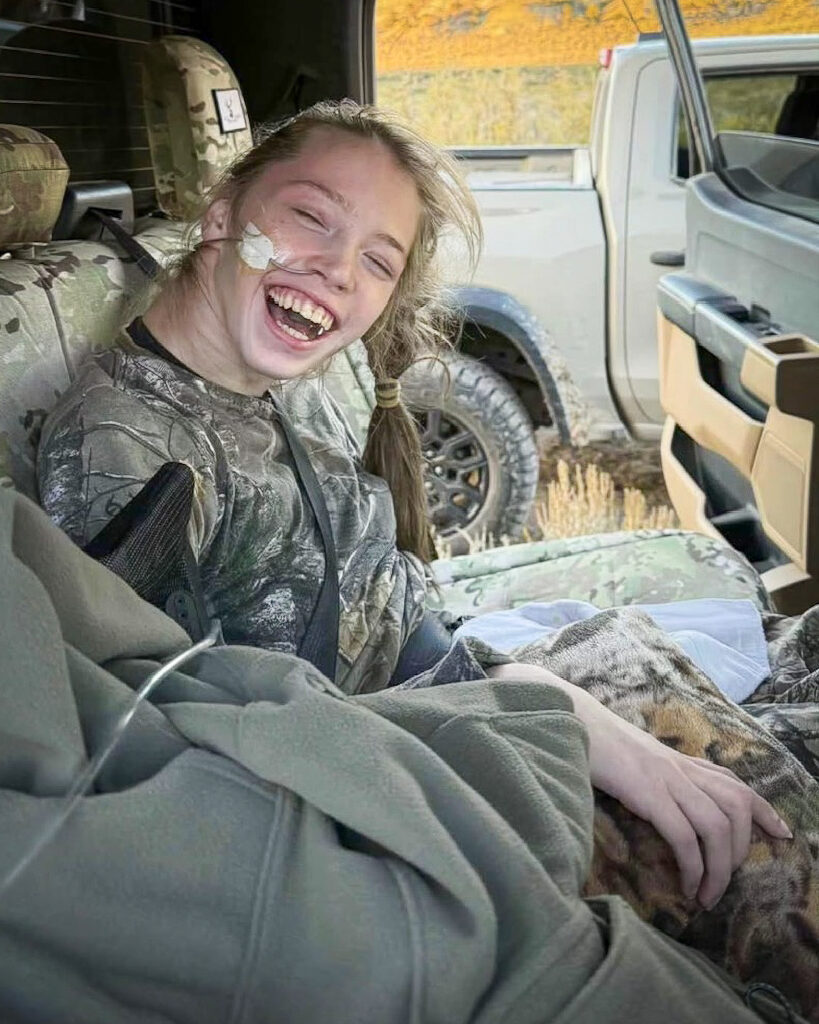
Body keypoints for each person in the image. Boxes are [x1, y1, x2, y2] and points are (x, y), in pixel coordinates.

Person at [36, 99, 792, 916]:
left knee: (754, 731)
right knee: (765, 850)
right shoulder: (130, 452)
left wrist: (524, 685)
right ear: (221, 215)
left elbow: (375, 615)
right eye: (311, 217)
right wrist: (545, 710)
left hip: (453, 683)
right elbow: (176, 755)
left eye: (377, 261)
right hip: (398, 774)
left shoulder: (256, 372)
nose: (339, 270)